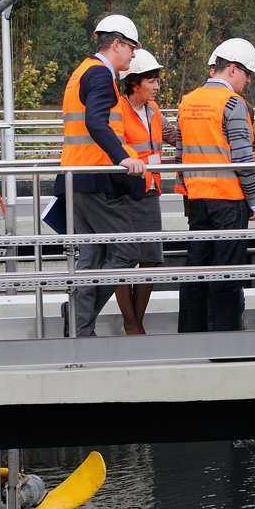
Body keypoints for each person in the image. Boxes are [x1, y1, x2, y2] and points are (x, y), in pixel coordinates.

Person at [55, 14, 146, 337]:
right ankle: (80, 317)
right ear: (117, 44)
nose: (133, 54)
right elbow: (95, 122)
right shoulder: (99, 74)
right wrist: (123, 158)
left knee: (91, 257)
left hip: (76, 175)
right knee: (126, 251)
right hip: (94, 177)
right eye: (132, 47)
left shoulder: (82, 70)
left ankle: (80, 327)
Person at [176, 38, 255, 333]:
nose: (248, 81)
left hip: (196, 200)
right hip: (228, 200)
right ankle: (226, 342)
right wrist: (254, 201)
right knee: (227, 273)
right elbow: (243, 158)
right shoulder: (233, 103)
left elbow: (180, 153)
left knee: (196, 269)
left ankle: (192, 337)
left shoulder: (187, 101)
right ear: (234, 69)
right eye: (247, 74)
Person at [113, 49, 178, 334]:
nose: (156, 86)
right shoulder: (118, 109)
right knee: (124, 258)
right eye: (151, 81)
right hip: (124, 193)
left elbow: (173, 135)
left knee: (151, 258)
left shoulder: (153, 110)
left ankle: (136, 322)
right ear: (134, 82)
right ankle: (131, 323)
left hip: (151, 191)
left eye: (157, 80)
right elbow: (115, 144)